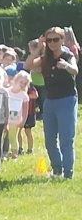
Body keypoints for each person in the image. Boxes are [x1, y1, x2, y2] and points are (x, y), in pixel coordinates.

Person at [31, 27, 78, 179]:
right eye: (49, 40)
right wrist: (38, 48)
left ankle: (68, 173)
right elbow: (28, 65)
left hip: (67, 100)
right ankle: (57, 170)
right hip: (50, 101)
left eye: (56, 39)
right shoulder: (45, 57)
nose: (52, 43)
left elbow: (75, 70)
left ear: (62, 40)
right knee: (49, 140)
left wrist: (66, 66)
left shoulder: (67, 55)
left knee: (66, 139)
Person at [5, 71, 30, 159]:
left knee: (12, 136)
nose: (22, 84)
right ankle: (3, 152)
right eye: (21, 82)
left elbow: (25, 111)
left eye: (25, 83)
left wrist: (23, 121)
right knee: (3, 135)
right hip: (5, 117)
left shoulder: (24, 96)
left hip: (15, 118)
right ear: (16, 80)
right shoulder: (7, 91)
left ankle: (14, 153)